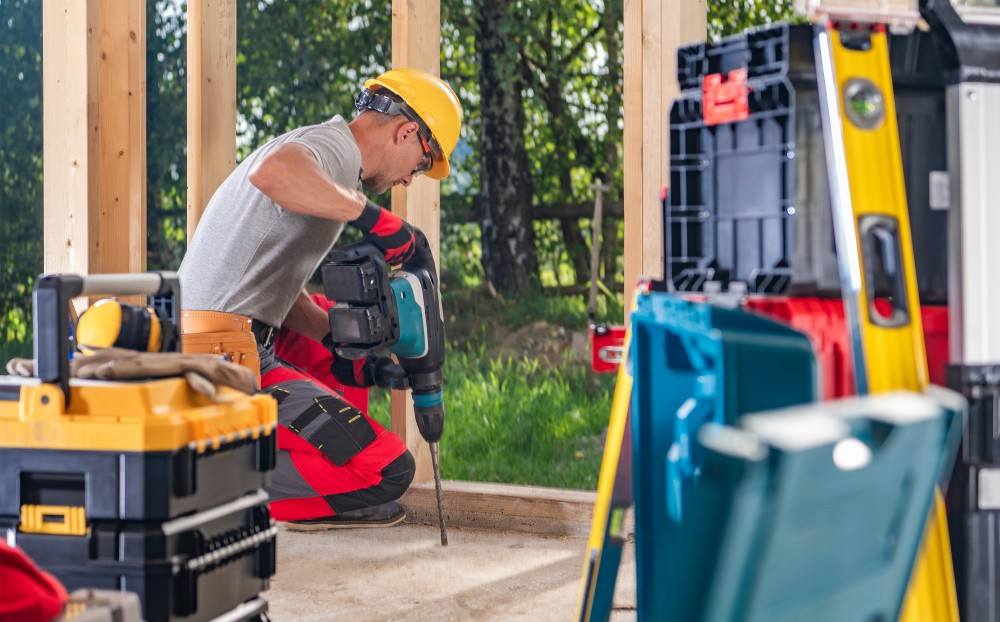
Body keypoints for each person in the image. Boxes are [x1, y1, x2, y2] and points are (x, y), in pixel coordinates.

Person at [177, 68, 462, 529]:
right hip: (219, 354)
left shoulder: (331, 167)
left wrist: (355, 353)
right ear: (407, 131)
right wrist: (374, 220)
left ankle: (308, 481)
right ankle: (197, 486)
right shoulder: (331, 151)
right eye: (422, 163)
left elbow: (281, 298)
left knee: (339, 325)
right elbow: (274, 173)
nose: (411, 179)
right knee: (387, 471)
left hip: (231, 336)